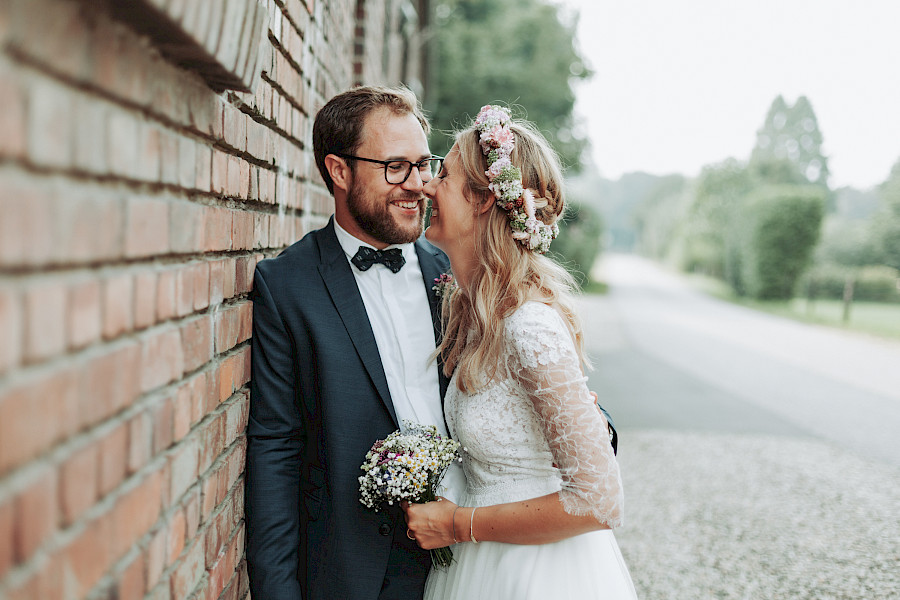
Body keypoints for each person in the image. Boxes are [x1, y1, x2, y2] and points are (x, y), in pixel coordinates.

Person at [402, 105, 637, 599]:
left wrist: (458, 525)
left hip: (535, 573)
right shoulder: (475, 312)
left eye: (442, 175)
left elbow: (601, 499)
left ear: (485, 200)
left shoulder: (529, 324)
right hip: (480, 565)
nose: (426, 187)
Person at [245, 85, 464, 600]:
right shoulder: (287, 285)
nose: (419, 186)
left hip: (472, 552)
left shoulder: (454, 272)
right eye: (395, 167)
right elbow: (276, 447)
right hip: (356, 571)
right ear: (340, 172)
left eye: (423, 164)